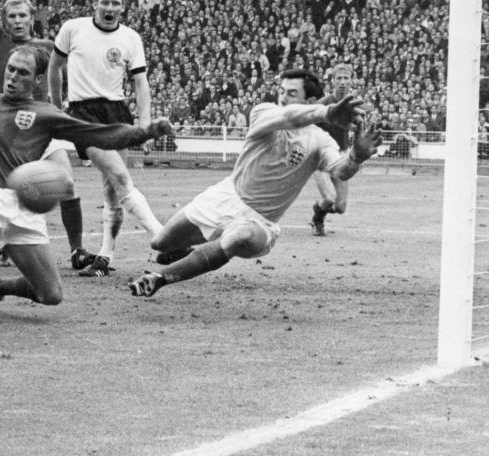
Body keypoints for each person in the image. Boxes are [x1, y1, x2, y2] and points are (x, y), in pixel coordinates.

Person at [0, 0, 174, 311]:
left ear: (36, 79)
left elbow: (101, 135)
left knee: (51, 294)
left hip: (21, 206)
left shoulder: (46, 115)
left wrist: (140, 133)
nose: (12, 77)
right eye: (10, 69)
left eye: (22, 73)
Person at [126, 69, 382, 298]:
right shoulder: (264, 113)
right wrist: (326, 112)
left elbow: (341, 170)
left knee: (240, 236)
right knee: (160, 243)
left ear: (310, 101)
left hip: (260, 222)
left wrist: (357, 156)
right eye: (281, 91)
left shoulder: (320, 140)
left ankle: (160, 277)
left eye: (292, 93)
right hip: (224, 197)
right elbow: (291, 116)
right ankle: (195, 254)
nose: (282, 97)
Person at [0, 0, 93, 269]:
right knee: (10, 189)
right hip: (10, 126)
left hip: (43, 124)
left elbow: (66, 74)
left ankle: (77, 251)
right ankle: (7, 245)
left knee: (67, 183)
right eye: (11, 16)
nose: (16, 21)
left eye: (22, 16)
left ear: (31, 18)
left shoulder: (47, 46)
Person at [47, 0, 165, 277]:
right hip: (83, 113)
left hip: (116, 110)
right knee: (121, 177)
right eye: (105, 2)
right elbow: (54, 66)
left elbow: (140, 84)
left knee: (112, 189)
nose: (110, 8)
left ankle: (106, 256)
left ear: (123, 7)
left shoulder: (130, 38)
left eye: (116, 3)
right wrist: (58, 104)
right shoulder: (73, 28)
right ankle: (163, 238)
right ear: (94, 3)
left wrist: (144, 125)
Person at [310, 63, 355, 236]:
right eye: (339, 78)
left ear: (351, 81)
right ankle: (317, 219)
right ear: (332, 81)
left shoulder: (352, 104)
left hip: (341, 157)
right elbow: (309, 129)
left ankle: (317, 207)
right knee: (329, 199)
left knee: (340, 207)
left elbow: (357, 130)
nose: (342, 82)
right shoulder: (323, 104)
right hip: (320, 157)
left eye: (346, 78)